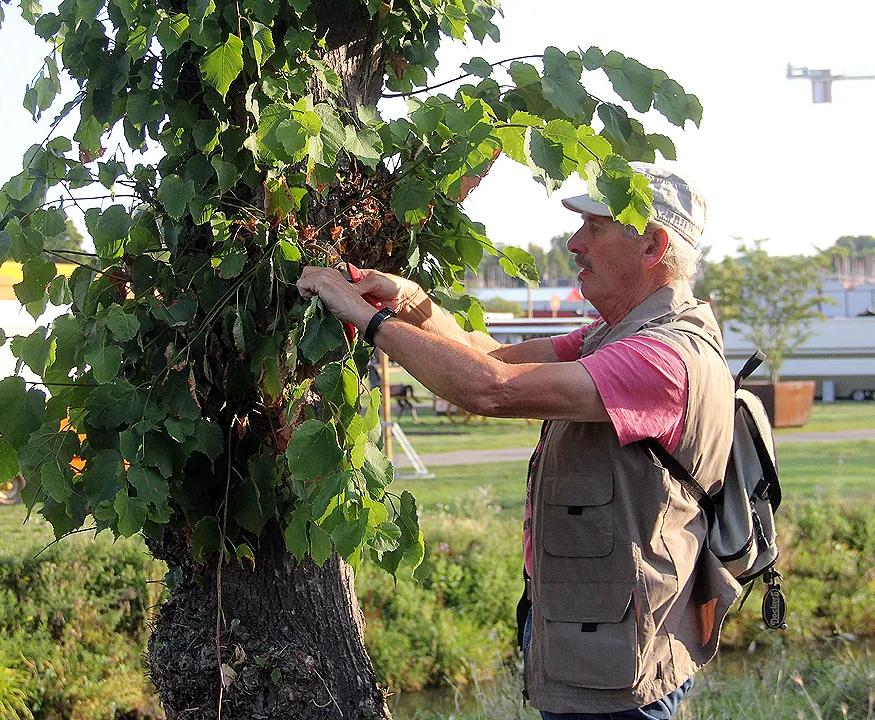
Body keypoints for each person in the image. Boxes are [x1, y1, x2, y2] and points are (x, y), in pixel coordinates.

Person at [297, 162, 741, 719]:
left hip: (617, 668)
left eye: (595, 227)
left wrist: (365, 319)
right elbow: (489, 355)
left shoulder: (663, 358)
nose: (574, 242)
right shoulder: (615, 337)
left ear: (652, 246)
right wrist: (406, 301)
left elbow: (493, 390)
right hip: (592, 646)